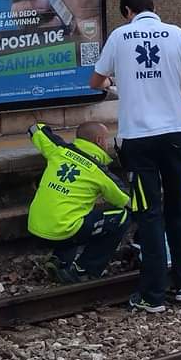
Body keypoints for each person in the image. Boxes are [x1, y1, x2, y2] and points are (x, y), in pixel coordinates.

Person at [89, 0, 181, 313]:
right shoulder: (177, 34)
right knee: (179, 211)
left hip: (138, 140)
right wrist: (166, 88)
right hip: (175, 136)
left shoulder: (118, 37)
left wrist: (119, 85)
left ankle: (153, 295)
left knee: (150, 214)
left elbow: (95, 82)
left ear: (127, 12)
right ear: (152, 7)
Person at [27, 121, 130, 283]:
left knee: (76, 213)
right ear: (99, 141)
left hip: (35, 227)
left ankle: (60, 260)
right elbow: (127, 202)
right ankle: (84, 269)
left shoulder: (58, 150)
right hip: (63, 231)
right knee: (121, 217)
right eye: (106, 139)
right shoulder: (99, 173)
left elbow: (35, 129)